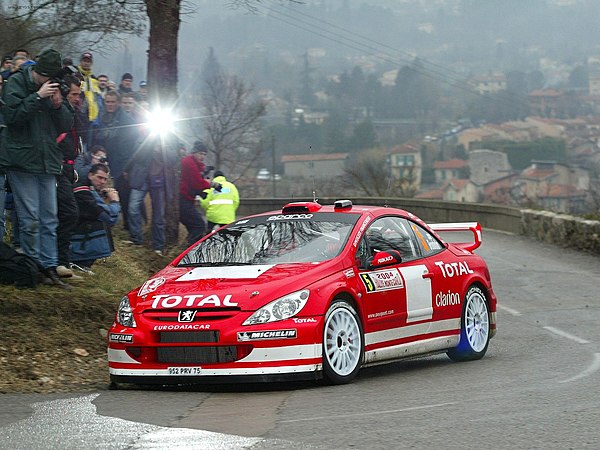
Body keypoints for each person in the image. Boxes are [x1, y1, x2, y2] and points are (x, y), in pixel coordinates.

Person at [0, 48, 74, 288]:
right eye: (50, 79)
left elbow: (67, 124)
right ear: (41, 74)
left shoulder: (54, 88)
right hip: (21, 161)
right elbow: (12, 117)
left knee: (49, 217)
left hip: (47, 161)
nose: (54, 83)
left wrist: (57, 105)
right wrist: (37, 96)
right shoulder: (17, 82)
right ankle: (33, 268)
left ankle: (50, 266)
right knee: (30, 217)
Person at [91, 90, 138, 231]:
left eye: (112, 102)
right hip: (109, 161)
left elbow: (129, 148)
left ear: (118, 103)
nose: (110, 104)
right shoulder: (104, 116)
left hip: (123, 164)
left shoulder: (126, 120)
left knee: (124, 196)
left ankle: (129, 227)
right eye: (107, 102)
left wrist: (127, 168)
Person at [55, 75, 88, 280]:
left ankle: (62, 261)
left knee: (67, 213)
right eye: (74, 94)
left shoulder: (75, 114)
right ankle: (59, 262)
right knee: (69, 212)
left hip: (68, 168)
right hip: (57, 168)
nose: (77, 98)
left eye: (79, 95)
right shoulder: (60, 113)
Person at [70, 163, 120, 273]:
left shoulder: (89, 189)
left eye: (105, 179)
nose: (102, 182)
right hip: (74, 233)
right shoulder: (82, 190)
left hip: (75, 230)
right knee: (101, 223)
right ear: (90, 175)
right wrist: (115, 201)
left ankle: (82, 262)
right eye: (99, 177)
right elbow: (109, 218)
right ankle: (80, 262)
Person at [127, 132, 168, 255]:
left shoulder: (169, 140)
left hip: (159, 180)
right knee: (132, 208)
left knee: (159, 215)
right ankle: (136, 239)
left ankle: (159, 246)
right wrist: (149, 142)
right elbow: (136, 155)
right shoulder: (143, 137)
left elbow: (172, 158)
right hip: (142, 177)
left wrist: (162, 146)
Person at [179, 140, 213, 246]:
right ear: (194, 152)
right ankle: (185, 250)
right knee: (200, 225)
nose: (202, 157)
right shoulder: (188, 162)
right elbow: (197, 183)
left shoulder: (194, 163)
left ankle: (184, 248)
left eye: (204, 154)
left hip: (187, 199)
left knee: (195, 228)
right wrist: (208, 183)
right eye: (200, 153)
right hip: (183, 200)